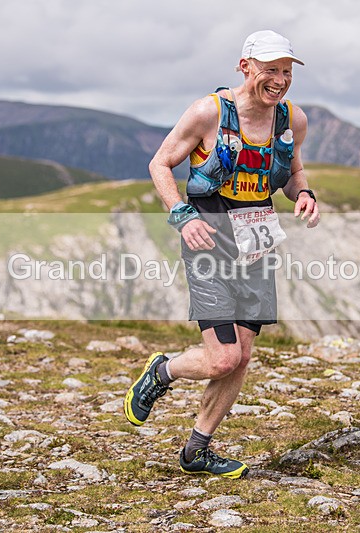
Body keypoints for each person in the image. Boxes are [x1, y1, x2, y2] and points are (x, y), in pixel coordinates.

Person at [124, 29, 319, 479]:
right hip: (209, 239)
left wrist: (303, 193)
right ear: (244, 67)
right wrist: (182, 214)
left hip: (258, 242)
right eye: (270, 70)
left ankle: (197, 450)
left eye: (286, 72)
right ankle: (163, 370)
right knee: (223, 358)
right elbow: (160, 163)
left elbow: (293, 171)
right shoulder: (207, 113)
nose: (280, 80)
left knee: (243, 355)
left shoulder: (293, 119)